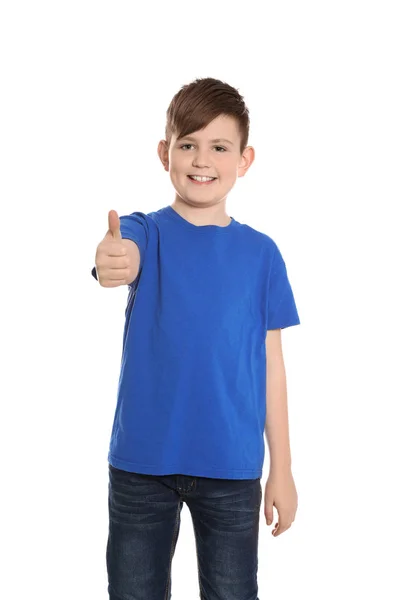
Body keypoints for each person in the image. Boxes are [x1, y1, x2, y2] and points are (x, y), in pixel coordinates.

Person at [92, 77, 301, 600]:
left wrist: (284, 469)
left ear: (244, 159)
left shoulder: (262, 255)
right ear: (165, 153)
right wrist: (112, 261)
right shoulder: (146, 231)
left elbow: (272, 367)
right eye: (187, 144)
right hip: (142, 468)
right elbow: (122, 254)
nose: (201, 159)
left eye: (218, 147)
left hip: (230, 470)